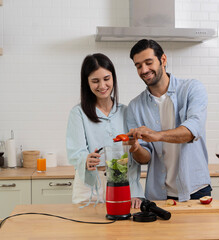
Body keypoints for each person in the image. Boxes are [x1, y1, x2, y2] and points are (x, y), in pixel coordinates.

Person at [126, 39, 211, 202]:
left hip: (196, 190)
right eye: (138, 66)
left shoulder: (192, 89)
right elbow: (145, 158)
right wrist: (135, 147)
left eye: (148, 62)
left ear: (163, 60)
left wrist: (156, 135)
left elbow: (193, 130)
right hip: (158, 194)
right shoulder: (135, 106)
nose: (144, 70)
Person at [66, 53, 143, 208]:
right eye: (95, 81)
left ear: (113, 78)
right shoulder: (78, 113)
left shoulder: (127, 111)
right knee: (88, 231)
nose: (102, 86)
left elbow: (133, 159)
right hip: (90, 188)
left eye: (106, 79)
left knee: (124, 232)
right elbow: (75, 153)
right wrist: (85, 159)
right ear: (87, 83)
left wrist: (134, 191)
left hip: (123, 185)